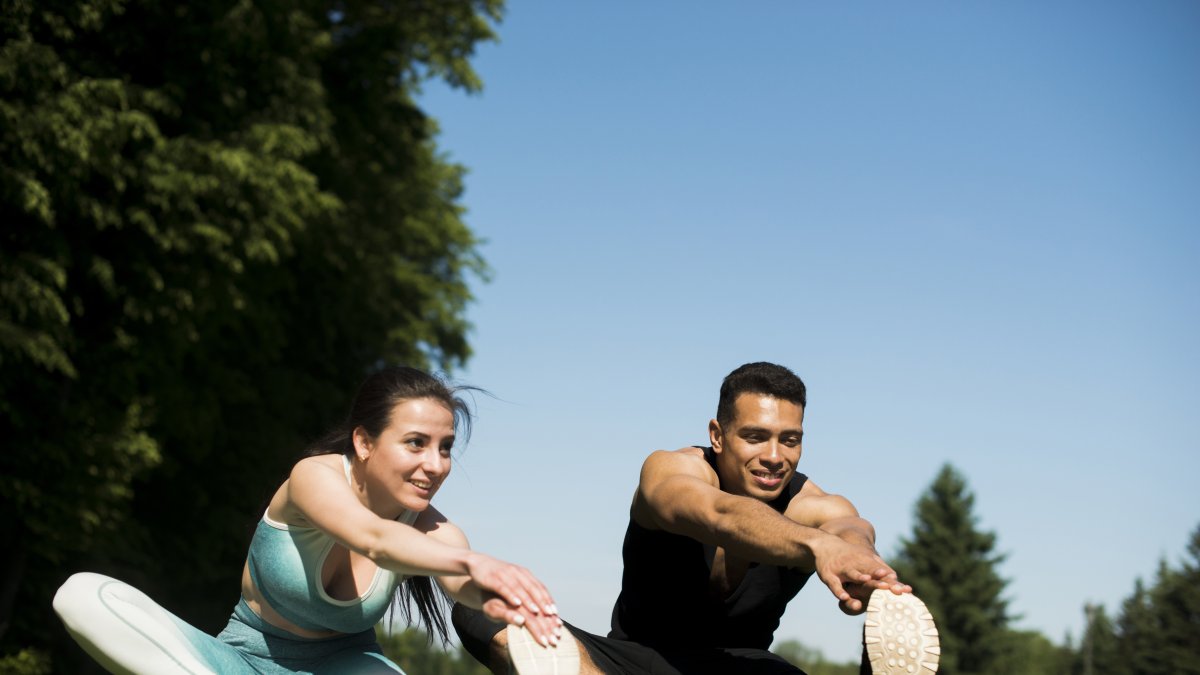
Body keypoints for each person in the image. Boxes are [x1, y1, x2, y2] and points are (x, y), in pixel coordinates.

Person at [53, 366, 576, 674]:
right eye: (416, 443)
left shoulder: (433, 531)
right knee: (80, 594)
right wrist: (473, 559)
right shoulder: (313, 478)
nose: (436, 465)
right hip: (238, 663)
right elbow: (372, 537)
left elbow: (461, 582)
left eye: (445, 448)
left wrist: (509, 604)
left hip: (347, 668)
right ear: (364, 442)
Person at [452, 362, 939, 675]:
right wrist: (817, 547)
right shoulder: (673, 470)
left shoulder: (814, 507)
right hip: (629, 660)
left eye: (790, 439)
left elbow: (849, 527)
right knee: (482, 606)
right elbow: (718, 514)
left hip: (741, 667)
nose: (775, 456)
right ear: (718, 434)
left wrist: (861, 560)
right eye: (755, 436)